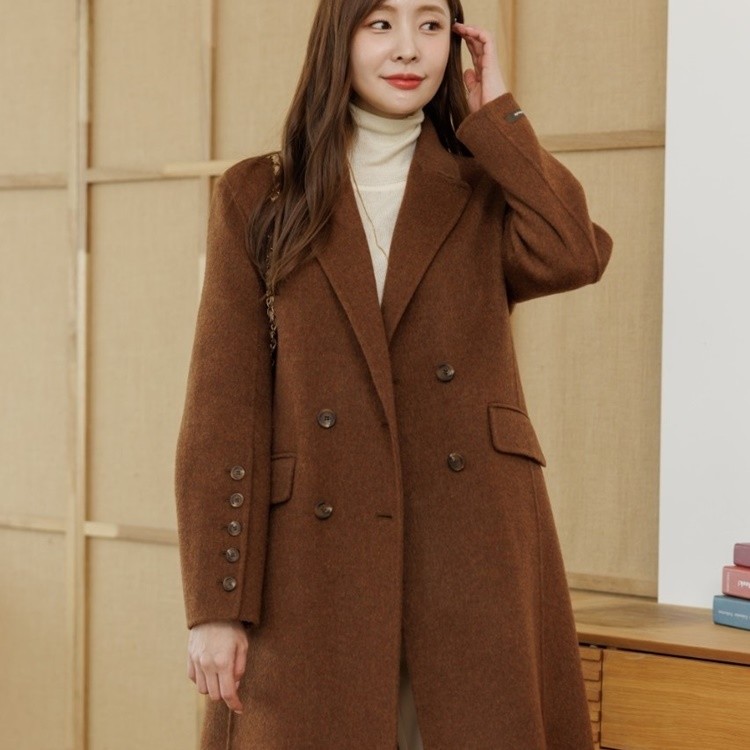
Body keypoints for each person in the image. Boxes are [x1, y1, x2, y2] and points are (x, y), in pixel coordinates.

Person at [174, 0, 613, 747]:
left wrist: (497, 115)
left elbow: (573, 251)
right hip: (314, 561)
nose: (409, 48)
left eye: (431, 25)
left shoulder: (482, 187)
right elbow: (224, 410)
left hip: (471, 549)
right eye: (381, 24)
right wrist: (217, 604)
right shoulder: (262, 196)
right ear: (338, 39)